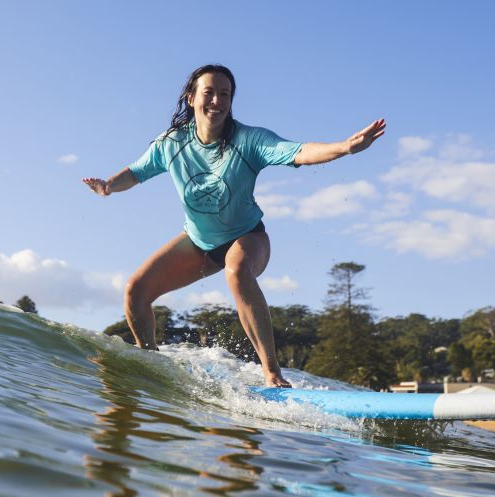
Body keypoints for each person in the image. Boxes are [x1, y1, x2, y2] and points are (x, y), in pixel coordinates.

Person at [83, 64, 385, 387]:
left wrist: (344, 147)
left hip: (248, 237)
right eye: (208, 93)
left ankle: (272, 373)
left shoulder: (248, 140)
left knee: (237, 271)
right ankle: (152, 364)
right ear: (191, 99)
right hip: (199, 243)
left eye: (224, 94)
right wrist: (109, 186)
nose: (216, 101)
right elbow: (137, 171)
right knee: (135, 291)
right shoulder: (172, 144)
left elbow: (297, 152)